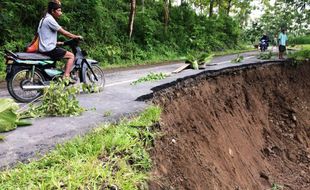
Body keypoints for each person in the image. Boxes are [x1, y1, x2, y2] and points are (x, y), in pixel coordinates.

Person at [38, 1, 82, 79]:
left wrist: (58, 43)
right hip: (48, 49)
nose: (61, 13)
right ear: (52, 11)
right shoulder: (49, 19)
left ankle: (57, 76)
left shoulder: (44, 18)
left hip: (44, 47)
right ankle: (66, 76)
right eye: (59, 10)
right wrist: (75, 36)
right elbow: (64, 32)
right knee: (71, 56)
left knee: (62, 54)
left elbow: (45, 35)